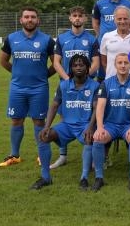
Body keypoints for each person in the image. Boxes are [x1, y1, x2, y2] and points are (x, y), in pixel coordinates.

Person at [30, 54, 100, 190]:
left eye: (82, 65)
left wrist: (91, 127)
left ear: (87, 68)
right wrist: (47, 126)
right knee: (44, 136)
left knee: (89, 138)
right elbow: (54, 105)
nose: (78, 67)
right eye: (75, 65)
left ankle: (84, 178)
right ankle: (46, 177)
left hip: (84, 125)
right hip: (66, 125)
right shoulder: (63, 85)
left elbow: (97, 109)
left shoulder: (95, 86)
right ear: (71, 68)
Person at [0, 7, 56, 167]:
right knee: (16, 120)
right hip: (17, 88)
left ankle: (41, 154)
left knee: (39, 122)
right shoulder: (11, 38)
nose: (30, 20)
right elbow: (3, 60)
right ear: (21, 20)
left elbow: (56, 63)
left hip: (39, 89)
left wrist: (44, 75)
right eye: (27, 17)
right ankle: (14, 155)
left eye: (33, 17)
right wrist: (16, 73)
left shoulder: (47, 40)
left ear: (38, 20)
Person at [51, 6, 100, 169]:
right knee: (64, 118)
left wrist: (86, 77)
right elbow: (56, 62)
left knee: (89, 118)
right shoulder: (62, 38)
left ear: (85, 19)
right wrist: (68, 79)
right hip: (67, 85)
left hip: (86, 84)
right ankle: (62, 155)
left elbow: (96, 62)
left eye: (80, 16)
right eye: (74, 16)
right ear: (70, 18)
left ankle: (92, 157)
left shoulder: (92, 39)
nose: (77, 18)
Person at [91, 53, 130, 191]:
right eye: (120, 63)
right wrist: (100, 127)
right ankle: (99, 177)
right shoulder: (106, 84)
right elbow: (100, 107)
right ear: (114, 65)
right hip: (111, 125)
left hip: (128, 125)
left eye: (126, 63)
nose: (123, 65)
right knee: (98, 138)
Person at [92, 0, 130, 81]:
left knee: (125, 69)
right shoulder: (99, 3)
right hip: (106, 44)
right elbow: (95, 22)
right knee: (104, 74)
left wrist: (126, 34)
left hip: (124, 43)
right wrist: (101, 36)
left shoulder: (129, 3)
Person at [100, 6, 130, 79]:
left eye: (125, 19)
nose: (122, 22)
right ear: (114, 20)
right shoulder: (106, 37)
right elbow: (104, 62)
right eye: (119, 19)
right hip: (111, 82)